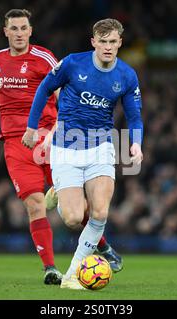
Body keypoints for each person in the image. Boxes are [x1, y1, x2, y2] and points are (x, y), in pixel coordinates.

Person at [0, 9, 120, 285]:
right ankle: (50, 268)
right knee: (34, 203)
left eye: (23, 28)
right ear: (5, 31)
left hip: (49, 138)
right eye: (13, 28)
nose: (18, 33)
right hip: (14, 143)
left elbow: (64, 94)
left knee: (74, 207)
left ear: (31, 31)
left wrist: (54, 131)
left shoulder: (44, 59)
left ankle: (102, 244)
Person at [22, 18, 144, 289]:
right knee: (74, 218)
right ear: (94, 42)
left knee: (100, 213)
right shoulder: (72, 63)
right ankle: (58, 193)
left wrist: (135, 144)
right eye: (103, 42)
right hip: (67, 147)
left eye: (113, 42)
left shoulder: (126, 75)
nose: (108, 47)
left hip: (101, 147)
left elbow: (135, 117)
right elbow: (44, 89)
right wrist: (32, 128)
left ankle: (72, 274)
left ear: (120, 43)